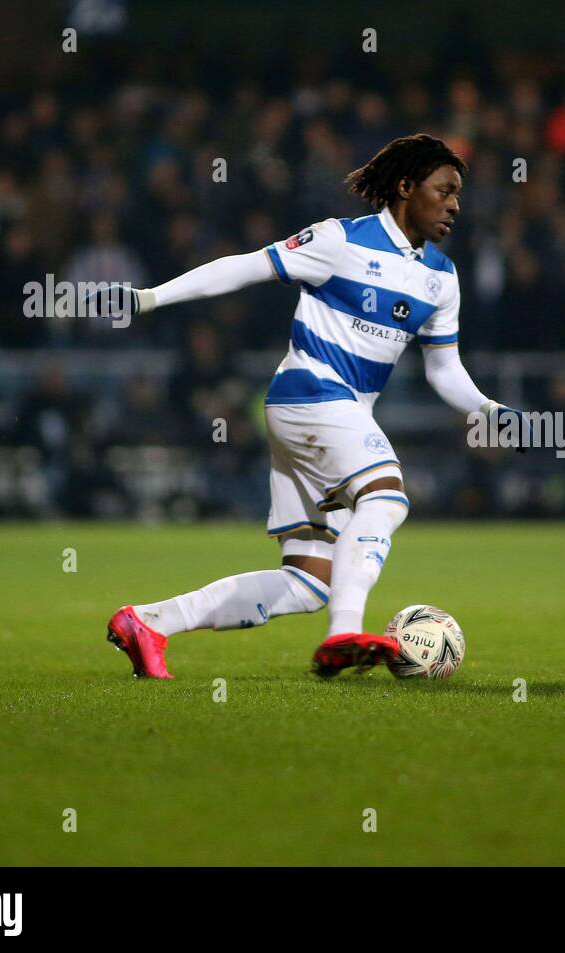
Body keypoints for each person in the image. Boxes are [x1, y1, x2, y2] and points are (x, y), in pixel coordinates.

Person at [95, 134, 519, 678]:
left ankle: (149, 621)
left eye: (459, 193)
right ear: (406, 187)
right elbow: (245, 267)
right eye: (445, 190)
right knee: (386, 499)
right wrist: (149, 297)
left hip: (331, 418)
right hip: (311, 393)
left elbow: (443, 369)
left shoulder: (441, 277)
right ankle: (344, 635)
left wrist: (488, 409)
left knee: (306, 581)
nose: (456, 204)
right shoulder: (339, 240)